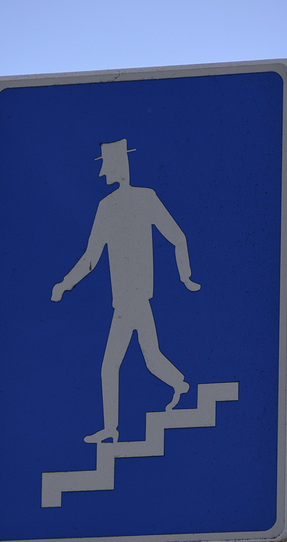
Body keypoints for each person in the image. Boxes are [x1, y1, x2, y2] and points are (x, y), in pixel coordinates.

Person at [52, 139, 200, 443]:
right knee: (149, 357)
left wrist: (186, 278)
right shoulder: (111, 206)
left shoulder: (136, 201)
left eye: (107, 165)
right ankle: (178, 386)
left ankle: (116, 426)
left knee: (114, 365)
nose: (103, 173)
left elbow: (177, 236)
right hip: (130, 300)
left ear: (118, 166)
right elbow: (92, 257)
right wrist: (65, 283)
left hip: (132, 300)